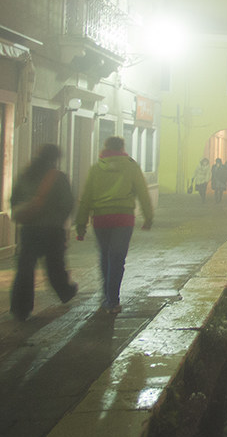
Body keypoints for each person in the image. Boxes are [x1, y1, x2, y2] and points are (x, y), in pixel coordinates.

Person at [75, 136, 154, 314]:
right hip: (123, 219)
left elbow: (86, 197)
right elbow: (142, 192)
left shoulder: (96, 168)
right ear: (122, 148)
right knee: (117, 258)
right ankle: (113, 299)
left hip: (101, 219)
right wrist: (148, 217)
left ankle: (106, 296)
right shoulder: (131, 166)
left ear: (105, 147)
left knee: (105, 256)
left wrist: (81, 223)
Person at [9, 144, 77, 321]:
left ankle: (20, 308)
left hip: (30, 229)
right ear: (54, 159)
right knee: (55, 264)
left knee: (25, 268)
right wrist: (59, 219)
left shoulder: (26, 174)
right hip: (52, 230)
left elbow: (14, 199)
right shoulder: (57, 177)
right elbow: (67, 203)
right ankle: (65, 291)